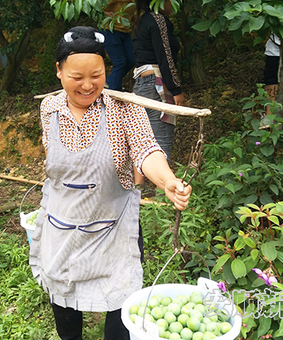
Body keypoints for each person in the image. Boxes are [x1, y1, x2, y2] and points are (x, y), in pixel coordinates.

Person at [29, 26, 192, 340]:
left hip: (112, 228)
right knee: (65, 312)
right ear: (59, 71)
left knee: (121, 313)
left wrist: (167, 180)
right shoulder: (49, 109)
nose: (88, 85)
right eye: (77, 77)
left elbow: (146, 150)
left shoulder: (124, 108)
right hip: (62, 227)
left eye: (97, 74)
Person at [132, 0, 184, 164]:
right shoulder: (157, 20)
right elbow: (165, 57)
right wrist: (176, 89)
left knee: (143, 144)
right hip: (158, 84)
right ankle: (162, 188)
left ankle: (143, 188)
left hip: (140, 86)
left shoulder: (141, 20)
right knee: (162, 144)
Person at [101, 0, 136, 91]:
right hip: (110, 30)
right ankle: (114, 91)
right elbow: (100, 6)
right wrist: (105, 13)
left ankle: (110, 81)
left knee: (131, 60)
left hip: (125, 31)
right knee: (120, 62)